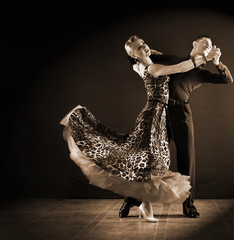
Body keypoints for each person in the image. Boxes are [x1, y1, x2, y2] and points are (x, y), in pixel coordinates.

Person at [59, 35, 216, 222]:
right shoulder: (152, 68)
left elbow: (150, 55)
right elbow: (180, 67)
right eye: (140, 47)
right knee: (148, 162)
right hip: (153, 116)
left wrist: (147, 52)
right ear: (134, 55)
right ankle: (140, 203)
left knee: (152, 162)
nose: (145, 47)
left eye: (144, 44)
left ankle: (141, 203)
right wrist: (205, 58)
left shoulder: (145, 62)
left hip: (161, 115)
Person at [119, 36, 233, 218]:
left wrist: (218, 63)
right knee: (150, 161)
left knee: (187, 161)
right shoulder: (173, 59)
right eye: (204, 42)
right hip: (161, 112)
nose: (208, 46)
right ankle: (132, 199)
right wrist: (137, 60)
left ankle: (189, 207)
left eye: (210, 45)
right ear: (194, 44)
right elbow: (144, 55)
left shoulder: (202, 73)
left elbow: (227, 79)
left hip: (182, 113)